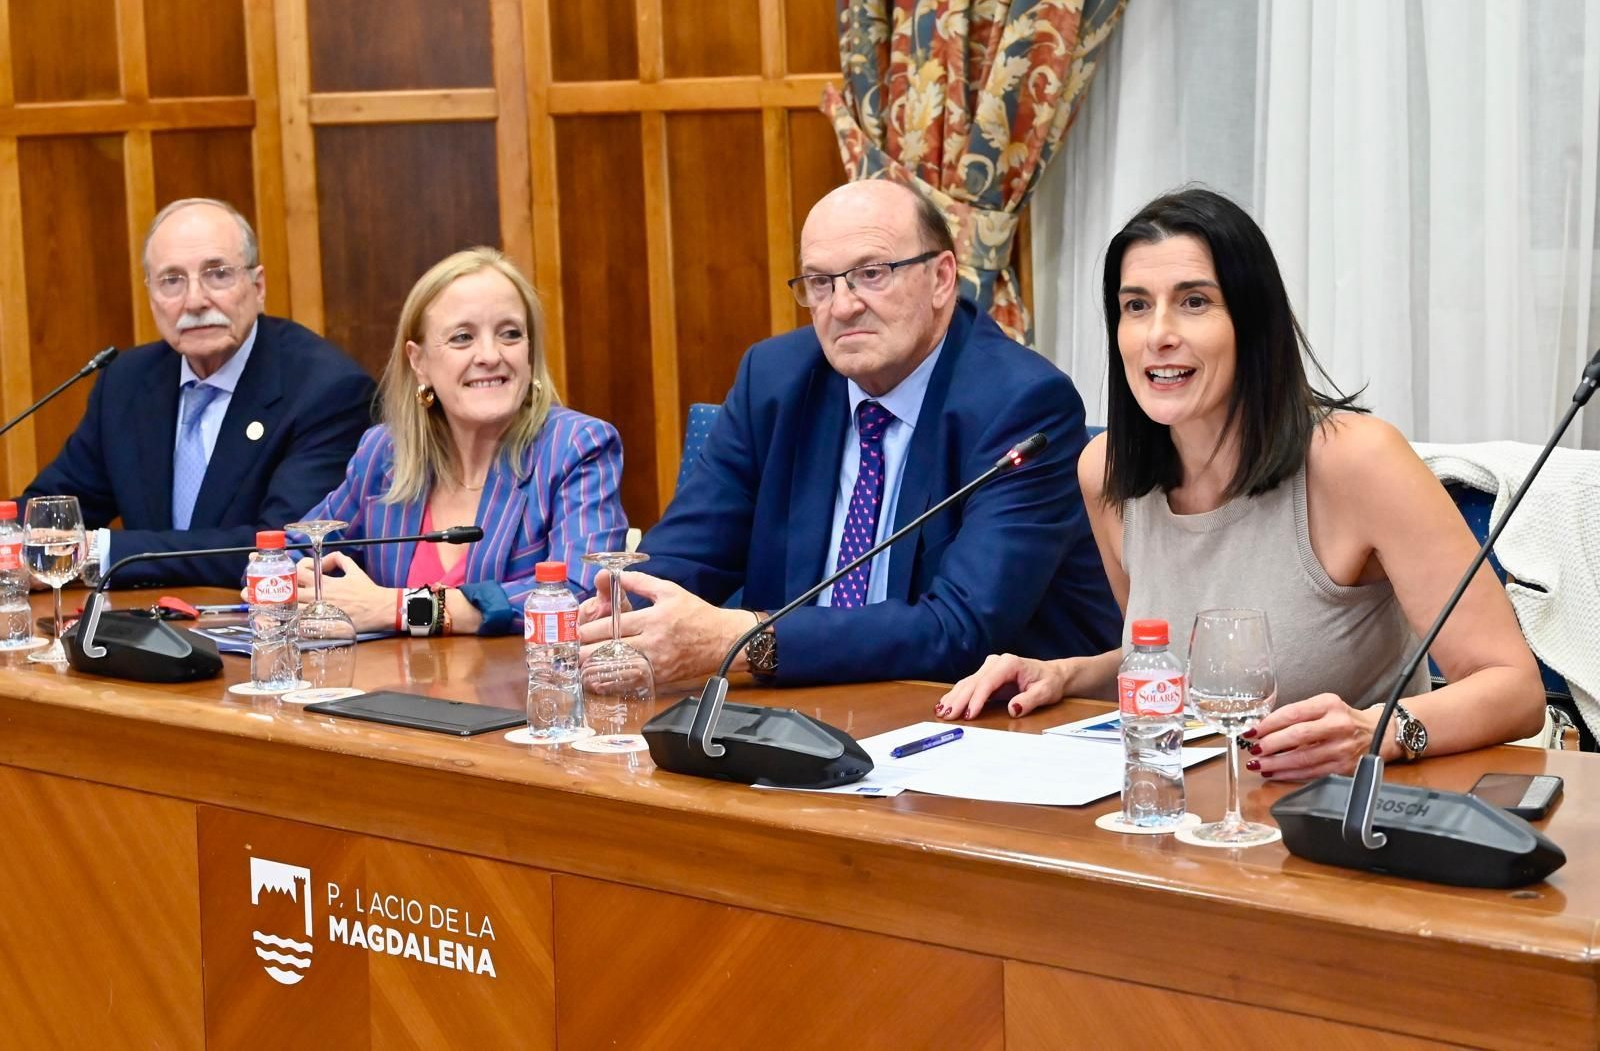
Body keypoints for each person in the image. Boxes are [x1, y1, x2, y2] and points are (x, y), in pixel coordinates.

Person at [936, 187, 1545, 778]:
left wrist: (1377, 732)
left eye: (1194, 302)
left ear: (1253, 323)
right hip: (1192, 815)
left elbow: (1514, 688)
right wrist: (1065, 675)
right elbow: (1182, 664)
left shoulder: (1358, 460)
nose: (1157, 335)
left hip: (1335, 827)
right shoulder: (1106, 471)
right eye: (1136, 306)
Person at [577, 179, 1120, 685]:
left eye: (872, 273)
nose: (843, 305)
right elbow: (690, 554)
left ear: (942, 278)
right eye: (820, 282)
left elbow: (962, 628)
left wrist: (746, 640)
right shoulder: (774, 380)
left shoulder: (1022, 404)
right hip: (798, 718)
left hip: (979, 727)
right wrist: (622, 611)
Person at [21, 198, 375, 587]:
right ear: (151, 295)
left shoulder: (326, 390)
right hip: (146, 629)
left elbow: (281, 548)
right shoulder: (128, 382)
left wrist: (100, 554)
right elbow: (52, 511)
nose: (195, 301)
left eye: (218, 274)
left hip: (264, 630)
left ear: (257, 287)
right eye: (172, 281)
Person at [296, 247, 627, 636]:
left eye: (510, 334)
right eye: (462, 337)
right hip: (386, 689)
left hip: (522, 690)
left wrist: (398, 608)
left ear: (530, 351)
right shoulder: (385, 452)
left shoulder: (575, 447)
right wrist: (302, 579)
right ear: (419, 363)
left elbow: (581, 594)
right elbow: (297, 547)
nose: (489, 355)